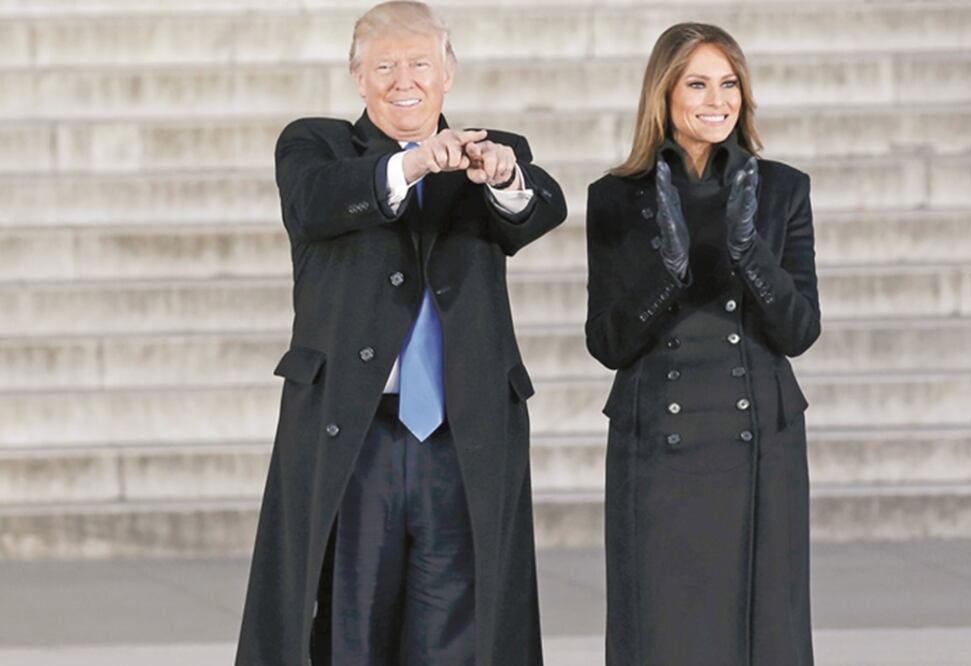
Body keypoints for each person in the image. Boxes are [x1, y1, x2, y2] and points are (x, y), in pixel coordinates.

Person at [235, 3, 566, 664]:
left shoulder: (494, 151)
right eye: (384, 65)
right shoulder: (315, 146)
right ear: (358, 78)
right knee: (348, 623)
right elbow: (318, 201)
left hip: (460, 435)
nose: (402, 80)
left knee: (460, 630)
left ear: (448, 73)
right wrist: (413, 166)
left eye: (419, 63)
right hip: (357, 434)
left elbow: (539, 210)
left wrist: (501, 178)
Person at [585, 22, 820, 666]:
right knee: (661, 630)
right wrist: (667, 272)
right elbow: (606, 341)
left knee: (764, 629)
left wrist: (750, 256)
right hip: (657, 447)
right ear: (664, 94)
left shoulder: (782, 189)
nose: (717, 100)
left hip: (758, 448)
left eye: (729, 84)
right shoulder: (614, 198)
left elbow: (800, 331)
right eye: (697, 83)